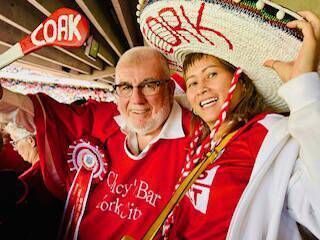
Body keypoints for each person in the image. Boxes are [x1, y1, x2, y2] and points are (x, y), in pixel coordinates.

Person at [138, 0, 320, 239]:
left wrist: (303, 89)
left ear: (242, 83)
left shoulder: (269, 136)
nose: (200, 88)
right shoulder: (201, 144)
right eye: (192, 82)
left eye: (211, 74)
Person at [0, 46, 192, 239]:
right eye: (125, 87)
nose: (136, 99)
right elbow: (47, 117)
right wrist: (2, 97)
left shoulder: (197, 137)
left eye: (149, 85)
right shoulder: (103, 118)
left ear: (169, 89)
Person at [0, 122, 63, 240]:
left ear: (31, 141)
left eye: (15, 141)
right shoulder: (59, 165)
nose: (14, 148)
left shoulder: (25, 182)